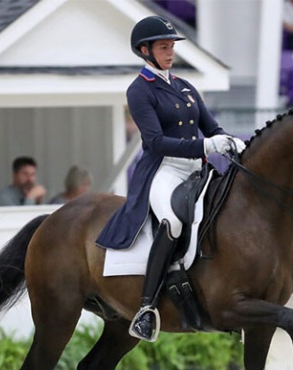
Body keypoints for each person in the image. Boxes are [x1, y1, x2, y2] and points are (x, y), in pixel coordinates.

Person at [95, 16, 245, 342]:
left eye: (172, 46)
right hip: (164, 170)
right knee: (173, 222)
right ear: (145, 50)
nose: (170, 52)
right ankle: (147, 308)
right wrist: (206, 145)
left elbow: (211, 127)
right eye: (163, 47)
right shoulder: (139, 91)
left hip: (196, 168)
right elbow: (155, 142)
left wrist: (230, 141)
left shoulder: (185, 86)